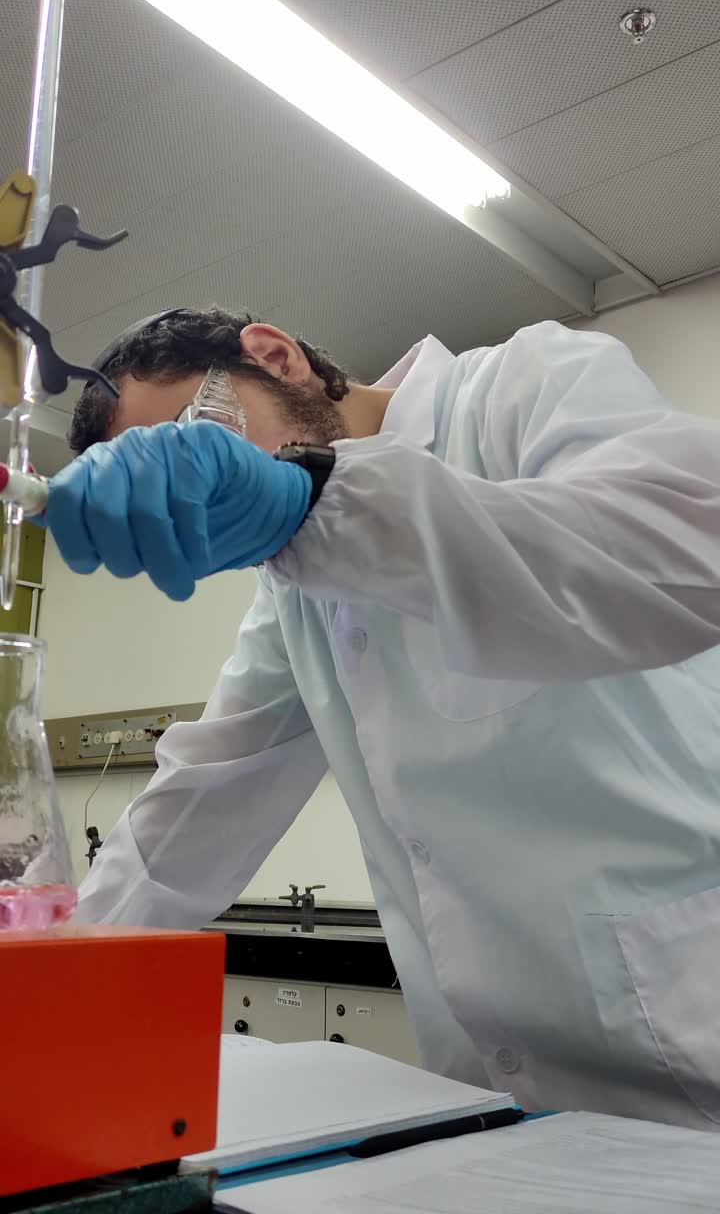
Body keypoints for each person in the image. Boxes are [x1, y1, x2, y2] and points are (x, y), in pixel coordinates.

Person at [49, 306, 720, 1128]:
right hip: (500, 1098)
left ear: (274, 355)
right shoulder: (294, 585)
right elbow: (200, 798)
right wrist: (55, 975)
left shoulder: (519, 386)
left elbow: (689, 548)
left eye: (203, 439)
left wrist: (320, 502)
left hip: (696, 1037)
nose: (214, 491)